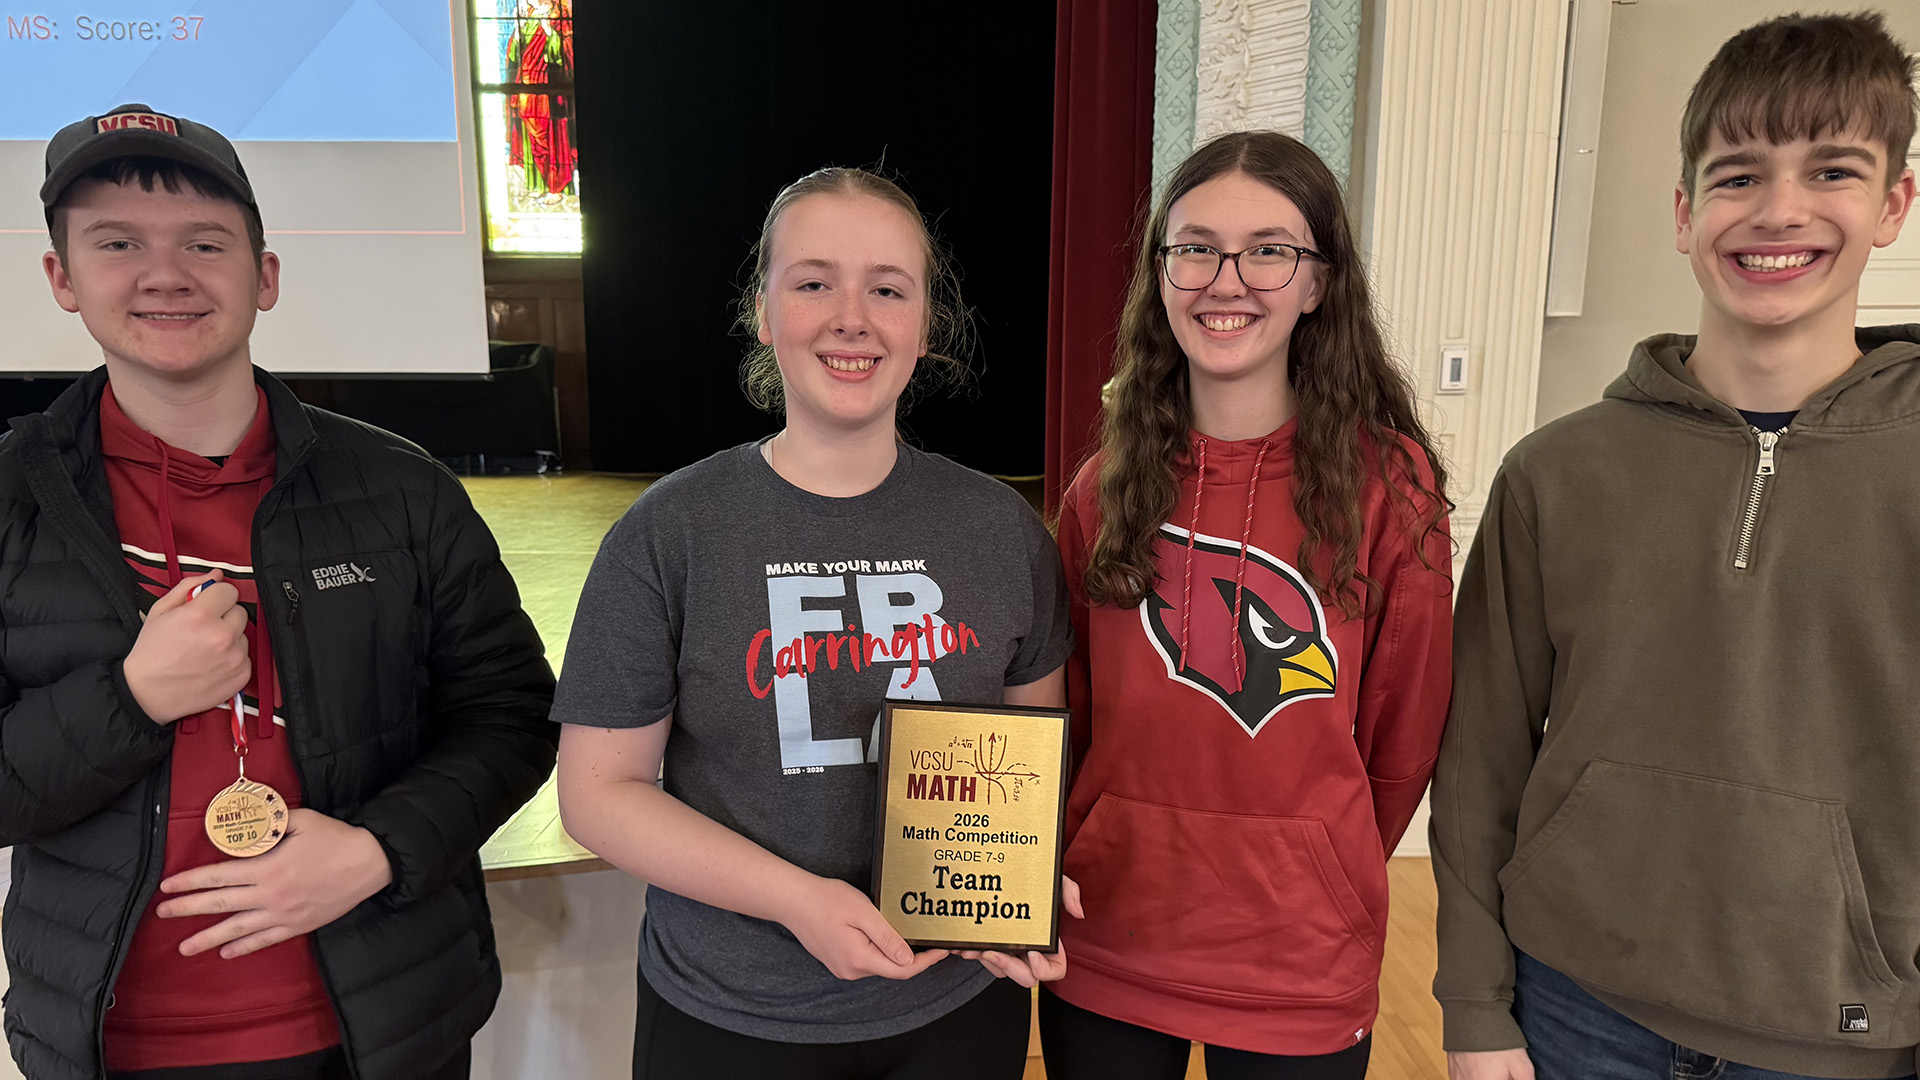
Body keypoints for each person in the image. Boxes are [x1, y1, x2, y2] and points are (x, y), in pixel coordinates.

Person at [2, 104, 558, 1080]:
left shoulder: (402, 488)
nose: (164, 273)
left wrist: (379, 849)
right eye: (118, 242)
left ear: (263, 277)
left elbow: (512, 717)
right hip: (115, 1046)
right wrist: (130, 701)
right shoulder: (9, 497)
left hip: (383, 1033)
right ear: (61, 277)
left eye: (204, 243)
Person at [1432, 12, 1919, 1080]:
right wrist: (1472, 1006)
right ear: (1684, 211)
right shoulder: (1555, 474)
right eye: (1738, 175)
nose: (1779, 210)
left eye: (1832, 169)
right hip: (1575, 1003)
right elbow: (1480, 761)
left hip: (1840, 1031)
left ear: (1894, 204)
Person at [552, 166, 1079, 1080]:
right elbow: (598, 793)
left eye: (887, 288)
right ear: (764, 313)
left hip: (955, 1007)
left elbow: (1032, 751)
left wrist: (1024, 884)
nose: (852, 317)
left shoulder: (1003, 531)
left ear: (923, 324)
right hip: (731, 1014)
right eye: (813, 283)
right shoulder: (669, 532)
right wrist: (799, 901)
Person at [1044, 130, 1454, 1080]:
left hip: (1298, 958)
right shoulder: (1102, 492)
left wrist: (1309, 859)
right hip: (1109, 937)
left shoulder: (1391, 487)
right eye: (1195, 248)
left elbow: (1404, 736)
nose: (1226, 280)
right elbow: (1070, 714)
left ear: (1317, 282)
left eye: (1269, 250)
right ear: (1162, 274)